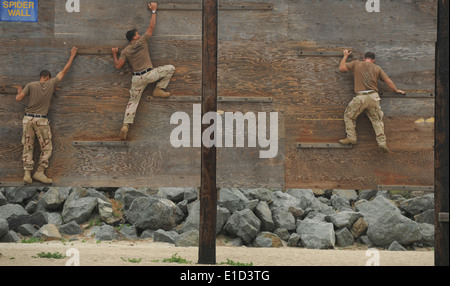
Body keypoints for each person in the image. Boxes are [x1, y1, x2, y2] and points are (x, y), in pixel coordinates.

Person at [112, 2, 175, 140]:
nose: (139, 35)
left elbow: (118, 66)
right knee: (170, 69)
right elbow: (151, 28)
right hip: (149, 74)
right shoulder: (141, 42)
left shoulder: (126, 51)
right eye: (137, 34)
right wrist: (153, 11)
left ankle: (125, 125)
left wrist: (114, 53)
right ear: (134, 37)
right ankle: (159, 89)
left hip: (137, 79)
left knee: (133, 102)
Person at [16, 47, 78, 184]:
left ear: (40, 77)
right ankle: (39, 172)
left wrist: (19, 91)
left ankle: (27, 173)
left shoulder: (31, 85)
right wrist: (72, 56)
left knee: (27, 145)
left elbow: (18, 98)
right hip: (40, 120)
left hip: (27, 119)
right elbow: (64, 71)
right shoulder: (51, 84)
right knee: (46, 146)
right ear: (48, 77)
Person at [338, 49, 406, 153]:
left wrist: (345, 56)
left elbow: (342, 68)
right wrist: (396, 90)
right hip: (374, 97)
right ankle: (382, 143)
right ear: (373, 60)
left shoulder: (356, 64)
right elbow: (388, 81)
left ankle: (351, 137)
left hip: (361, 97)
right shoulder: (377, 68)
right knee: (377, 120)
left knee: (349, 116)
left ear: (364, 59)